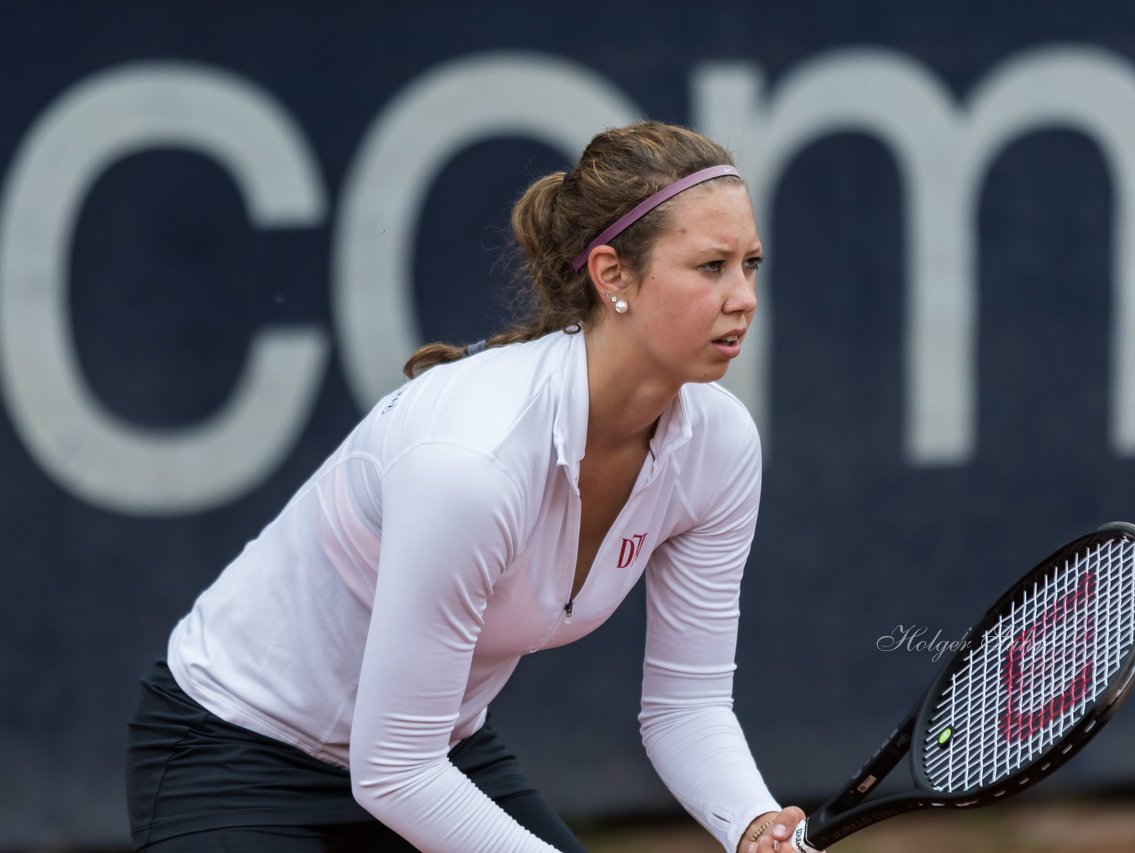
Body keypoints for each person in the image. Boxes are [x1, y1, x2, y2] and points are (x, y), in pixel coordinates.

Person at [126, 120, 814, 853]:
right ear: (612, 273)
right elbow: (392, 771)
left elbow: (687, 706)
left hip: (431, 752)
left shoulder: (721, 446)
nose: (742, 296)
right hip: (234, 751)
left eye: (751, 264)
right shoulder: (472, 461)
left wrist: (749, 820)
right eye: (710, 266)